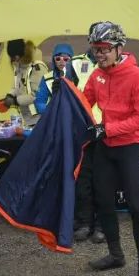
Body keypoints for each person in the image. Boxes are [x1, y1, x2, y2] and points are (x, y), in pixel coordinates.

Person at [81, 21, 139, 276]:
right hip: (106, 146)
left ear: (118, 48)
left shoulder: (138, 77)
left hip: (130, 146)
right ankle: (116, 255)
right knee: (103, 201)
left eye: (104, 49)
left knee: (137, 206)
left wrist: (108, 129)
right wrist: (68, 100)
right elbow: (84, 103)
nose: (99, 54)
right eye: (95, 49)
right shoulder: (97, 75)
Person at [37, 43, 105, 244]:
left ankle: (102, 225)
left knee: (102, 181)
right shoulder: (68, 71)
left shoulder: (104, 68)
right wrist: (58, 95)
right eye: (58, 58)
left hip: (102, 129)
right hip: (76, 131)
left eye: (65, 58)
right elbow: (47, 102)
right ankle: (84, 222)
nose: (62, 62)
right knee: (81, 179)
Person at [0, 39, 49, 126]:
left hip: (39, 118)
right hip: (27, 118)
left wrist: (15, 101)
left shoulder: (37, 68)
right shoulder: (20, 67)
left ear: (19, 55)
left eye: (14, 57)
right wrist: (10, 96)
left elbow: (36, 95)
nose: (13, 60)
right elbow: (17, 86)